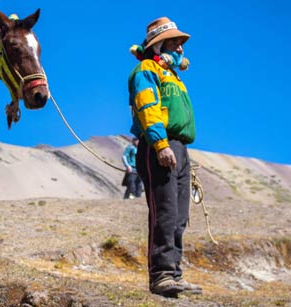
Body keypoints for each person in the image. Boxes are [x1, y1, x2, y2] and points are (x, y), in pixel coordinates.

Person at [127, 16, 202, 297]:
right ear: (159, 46)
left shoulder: (174, 76)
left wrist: (178, 149)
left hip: (180, 148)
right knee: (165, 213)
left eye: (181, 44)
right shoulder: (145, 70)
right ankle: (161, 276)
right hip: (161, 145)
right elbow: (148, 106)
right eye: (175, 43)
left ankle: (175, 274)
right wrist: (160, 144)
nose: (181, 49)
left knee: (180, 216)